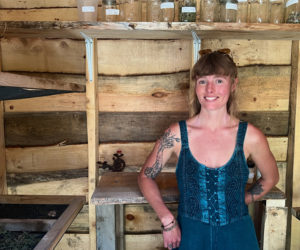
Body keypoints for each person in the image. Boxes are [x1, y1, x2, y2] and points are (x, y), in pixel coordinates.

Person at [138, 49, 279, 250]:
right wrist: (167, 220)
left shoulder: (250, 136)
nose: (210, 90)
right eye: (203, 81)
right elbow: (145, 176)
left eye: (219, 81)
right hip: (191, 236)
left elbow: (271, 178)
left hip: (238, 235)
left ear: (233, 84)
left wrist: (245, 199)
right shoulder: (177, 134)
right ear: (196, 85)